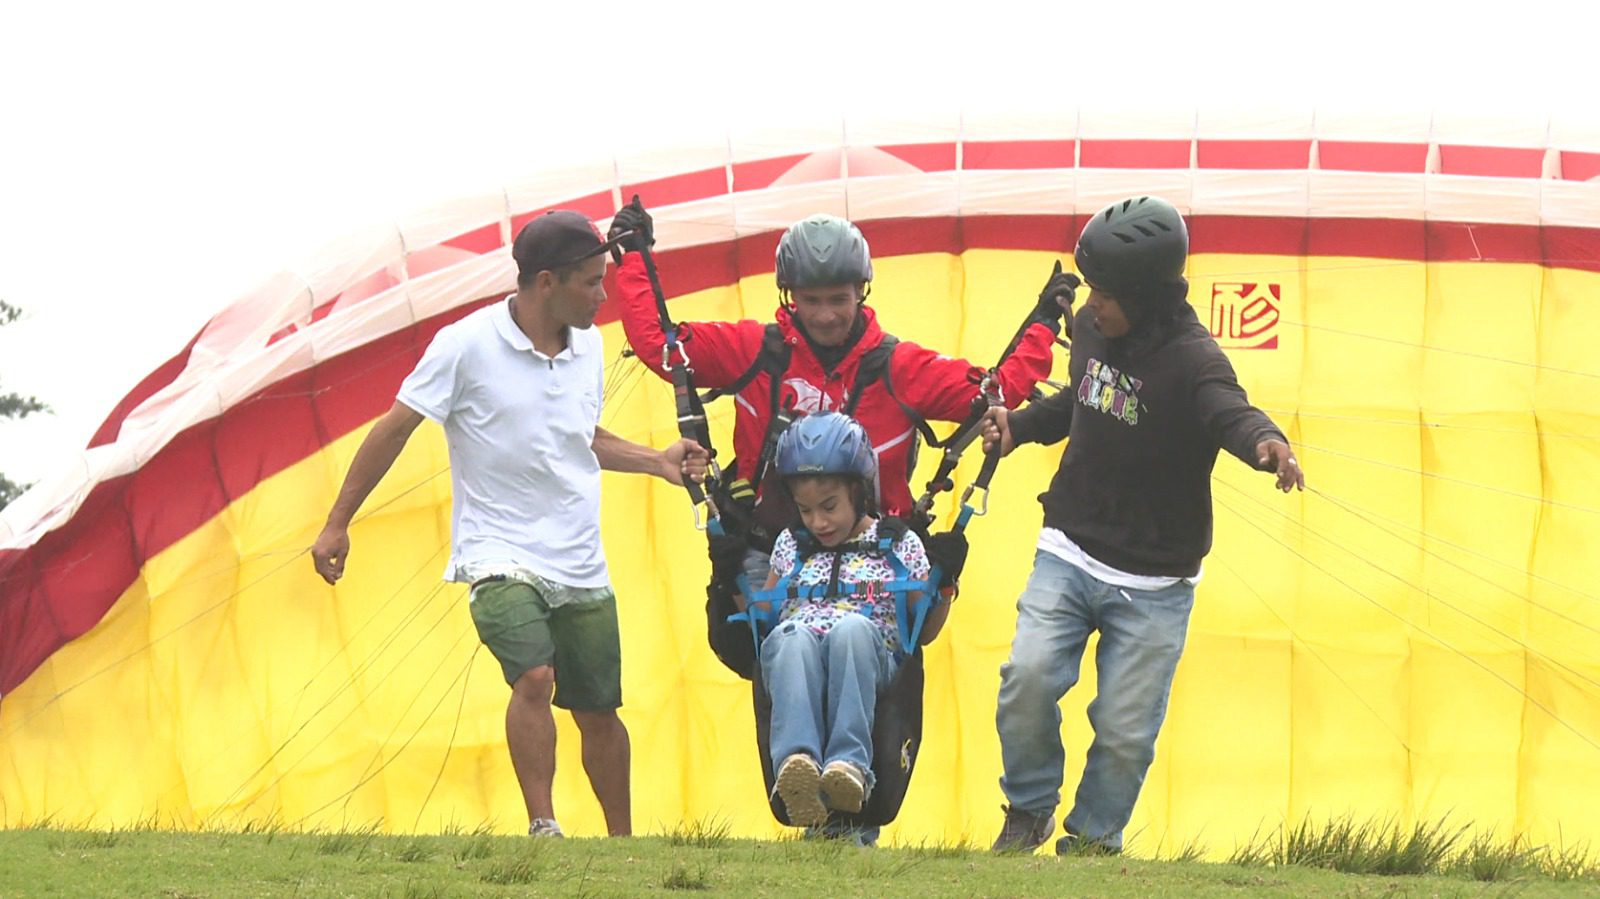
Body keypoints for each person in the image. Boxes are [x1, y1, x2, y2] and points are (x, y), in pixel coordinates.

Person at [310, 209, 709, 839]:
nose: (602, 296)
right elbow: (394, 429)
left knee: (598, 710)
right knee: (534, 675)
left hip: (579, 559)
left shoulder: (589, 348)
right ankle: (543, 824)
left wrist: (656, 462)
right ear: (546, 282)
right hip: (496, 553)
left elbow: (578, 436)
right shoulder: (464, 345)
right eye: (591, 282)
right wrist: (338, 523)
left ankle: (624, 845)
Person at [981, 196, 1305, 855]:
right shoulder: (1093, 328)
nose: (1090, 304)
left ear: (1147, 295)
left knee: (1126, 731)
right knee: (1028, 678)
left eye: (1104, 293)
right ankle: (1029, 808)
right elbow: (1081, 400)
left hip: (1155, 581)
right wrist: (1019, 428)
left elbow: (1230, 411)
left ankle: (1094, 843)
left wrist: (1266, 443)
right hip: (1070, 546)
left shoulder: (1194, 360)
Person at [606, 200, 1073, 609]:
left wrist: (1044, 322)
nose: (826, 315)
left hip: (876, 556)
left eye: (838, 299)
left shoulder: (900, 368)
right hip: (768, 553)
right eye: (811, 300)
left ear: (861, 292)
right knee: (776, 660)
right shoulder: (752, 351)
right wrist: (633, 257)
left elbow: (995, 394)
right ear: (789, 297)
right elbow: (663, 347)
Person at [741, 411, 942, 835]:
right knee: (789, 637)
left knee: (851, 631)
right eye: (805, 510)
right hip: (798, 655)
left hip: (869, 652)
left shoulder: (896, 543)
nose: (818, 522)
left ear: (858, 492)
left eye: (829, 507)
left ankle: (848, 766)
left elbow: (924, 627)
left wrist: (945, 581)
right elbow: (762, 619)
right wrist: (728, 572)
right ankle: (797, 766)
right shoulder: (791, 546)